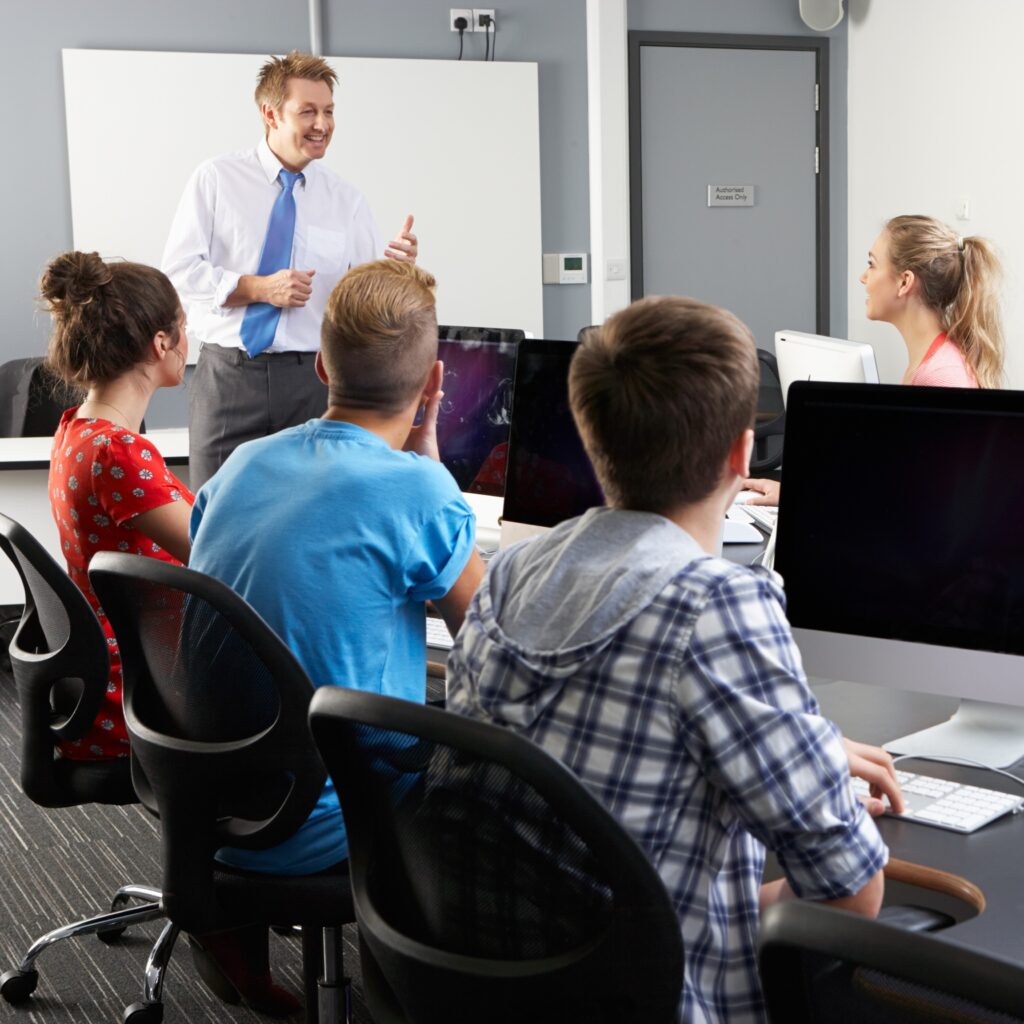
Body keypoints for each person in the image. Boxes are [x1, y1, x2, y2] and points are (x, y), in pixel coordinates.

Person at [445, 295, 897, 1024]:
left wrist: (803, 748)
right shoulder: (719, 605)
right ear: (741, 456)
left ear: (592, 441)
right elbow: (851, 892)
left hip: (491, 988)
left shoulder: (511, 574)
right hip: (654, 994)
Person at [187, 258, 485, 1011]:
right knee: (512, 766)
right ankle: (420, 990)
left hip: (206, 799)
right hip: (329, 815)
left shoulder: (238, 466)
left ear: (321, 365)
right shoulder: (417, 490)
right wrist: (433, 477)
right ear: (433, 381)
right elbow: (492, 639)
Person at [162, 50, 419, 490]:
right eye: (308, 112)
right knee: (216, 520)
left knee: (310, 518)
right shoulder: (216, 179)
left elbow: (362, 300)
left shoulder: (347, 201)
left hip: (312, 381)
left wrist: (397, 271)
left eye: (329, 112)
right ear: (270, 114)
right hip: (229, 379)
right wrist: (257, 287)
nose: (323, 124)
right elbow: (178, 273)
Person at [42, 251, 193, 762]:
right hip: (142, 694)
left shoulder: (75, 430)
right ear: (161, 344)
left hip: (118, 674)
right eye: (183, 328)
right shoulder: (117, 452)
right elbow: (217, 553)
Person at [745, 213, 1005, 506]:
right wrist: (795, 492)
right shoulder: (927, 363)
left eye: (872, 264)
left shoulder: (941, 377)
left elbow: (931, 505)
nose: (863, 277)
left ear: (905, 282)